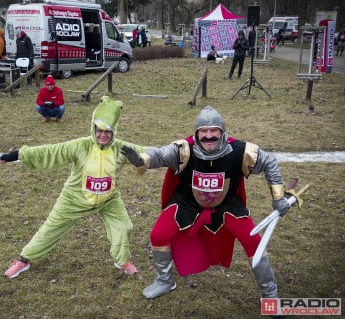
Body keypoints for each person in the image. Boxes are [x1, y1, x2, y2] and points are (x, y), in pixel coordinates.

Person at [121, 105, 291, 301]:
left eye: (213, 131)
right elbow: (159, 155)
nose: (208, 136)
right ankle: (164, 280)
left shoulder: (240, 151)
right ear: (196, 133)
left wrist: (278, 197)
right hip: (186, 204)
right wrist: (141, 160)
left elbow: (269, 161)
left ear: (222, 131)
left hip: (227, 206)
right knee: (158, 234)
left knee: (253, 241)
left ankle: (270, 294)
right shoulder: (183, 150)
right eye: (204, 131)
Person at [0, 96, 148, 279]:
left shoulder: (122, 148)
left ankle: (122, 259)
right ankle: (23, 259)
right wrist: (17, 154)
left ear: (114, 131)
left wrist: (141, 161)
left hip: (108, 200)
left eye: (107, 131)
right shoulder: (81, 145)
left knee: (123, 226)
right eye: (99, 130)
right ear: (93, 129)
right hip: (74, 198)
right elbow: (52, 151)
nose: (103, 135)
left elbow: (154, 153)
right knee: (51, 227)